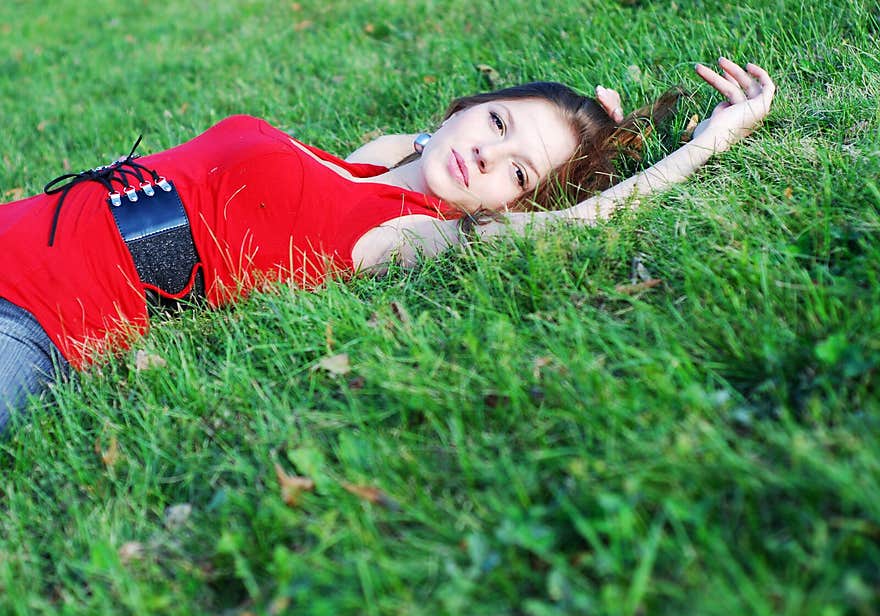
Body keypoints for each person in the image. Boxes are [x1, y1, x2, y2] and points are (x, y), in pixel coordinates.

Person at [0, 57, 775, 434]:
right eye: (498, 125)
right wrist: (595, 119)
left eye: (517, 172)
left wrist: (706, 144)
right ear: (469, 106)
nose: (486, 156)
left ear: (514, 202)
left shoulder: (417, 233)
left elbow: (580, 222)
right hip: (19, 227)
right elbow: (425, 144)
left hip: (36, 318)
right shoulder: (376, 160)